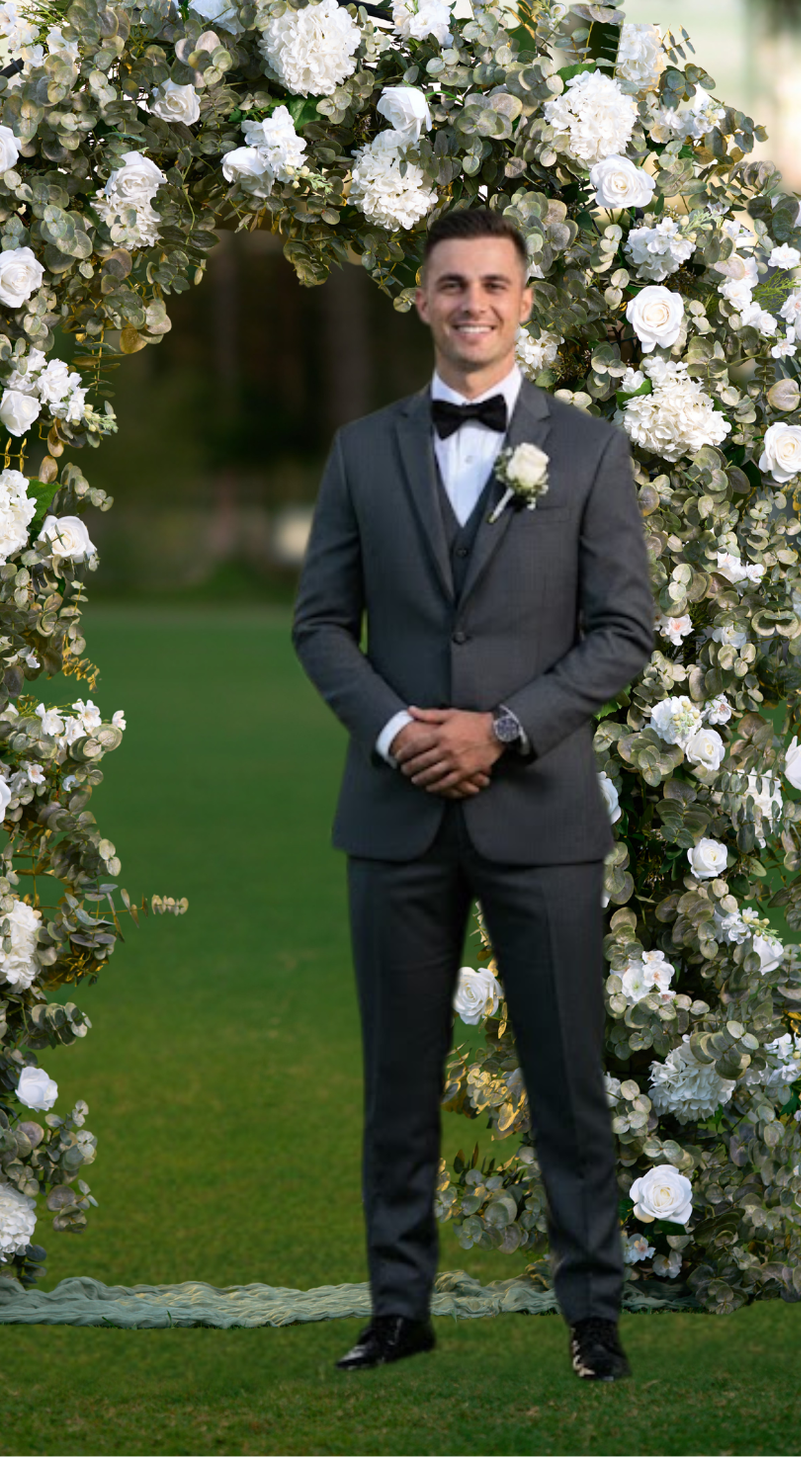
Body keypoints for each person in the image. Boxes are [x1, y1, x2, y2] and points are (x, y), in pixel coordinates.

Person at [292, 205, 655, 1383]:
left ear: (525, 298)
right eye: (450, 282)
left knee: (564, 1075)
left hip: (539, 807)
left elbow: (619, 633)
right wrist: (402, 730)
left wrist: (499, 729)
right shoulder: (360, 448)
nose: (472, 302)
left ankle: (590, 1312)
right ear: (418, 298)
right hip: (394, 811)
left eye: (493, 282)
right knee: (396, 1080)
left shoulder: (591, 451)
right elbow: (318, 624)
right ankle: (398, 1307)